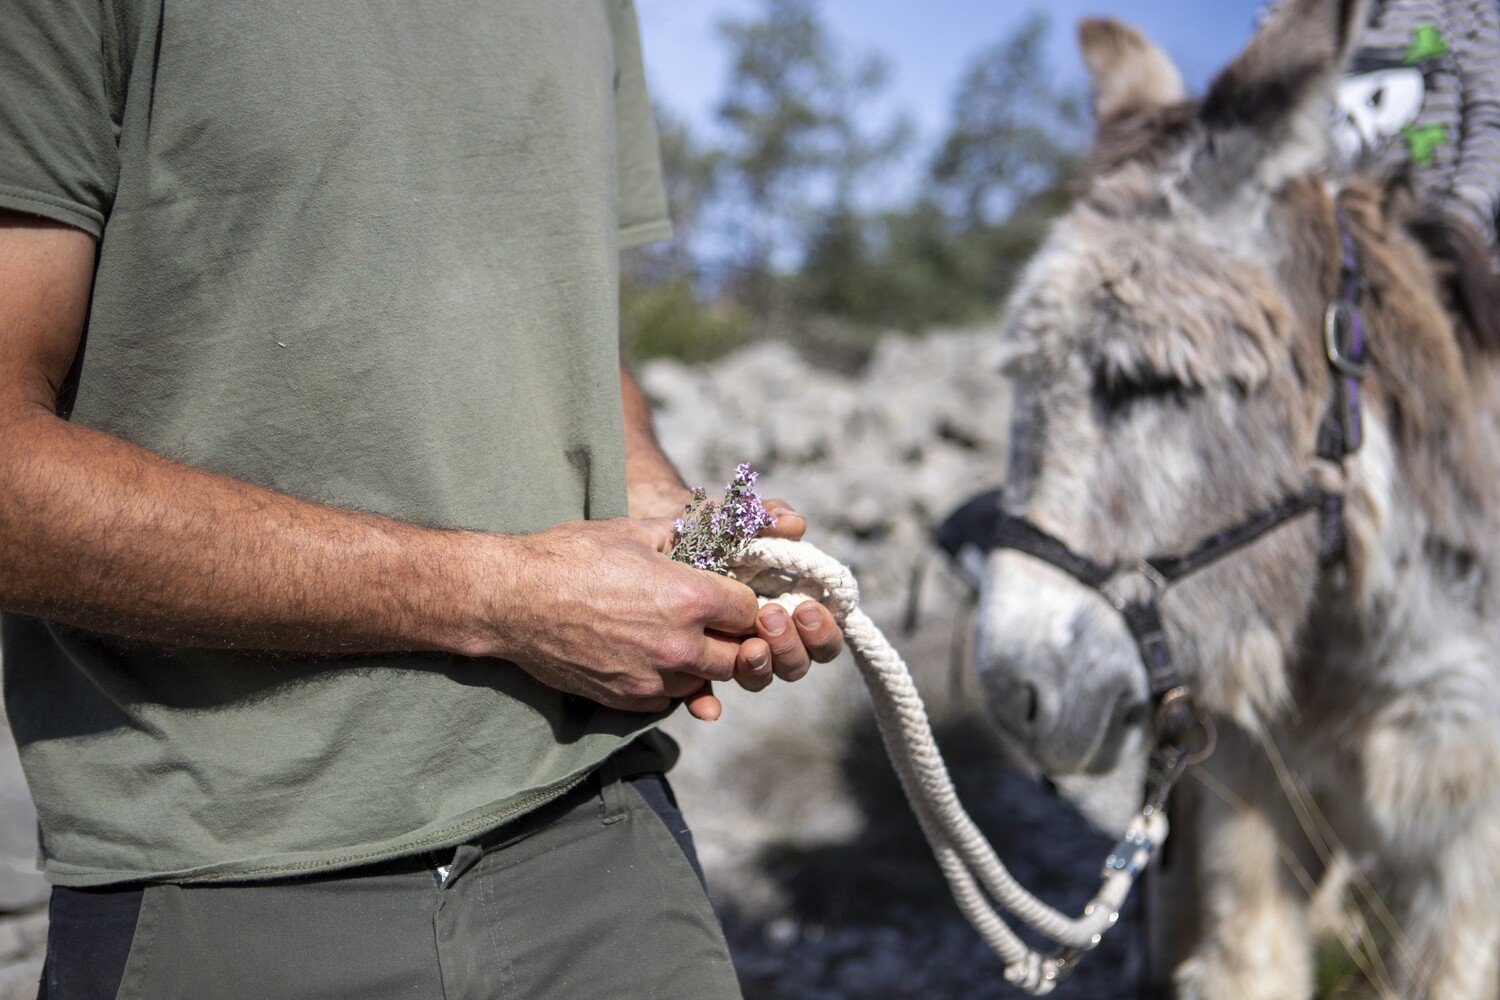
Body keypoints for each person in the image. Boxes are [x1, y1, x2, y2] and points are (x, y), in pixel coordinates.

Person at [0, 2, 843, 997]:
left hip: (603, 833)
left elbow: (555, 314)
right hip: (223, 875)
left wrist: (677, 530)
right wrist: (501, 599)